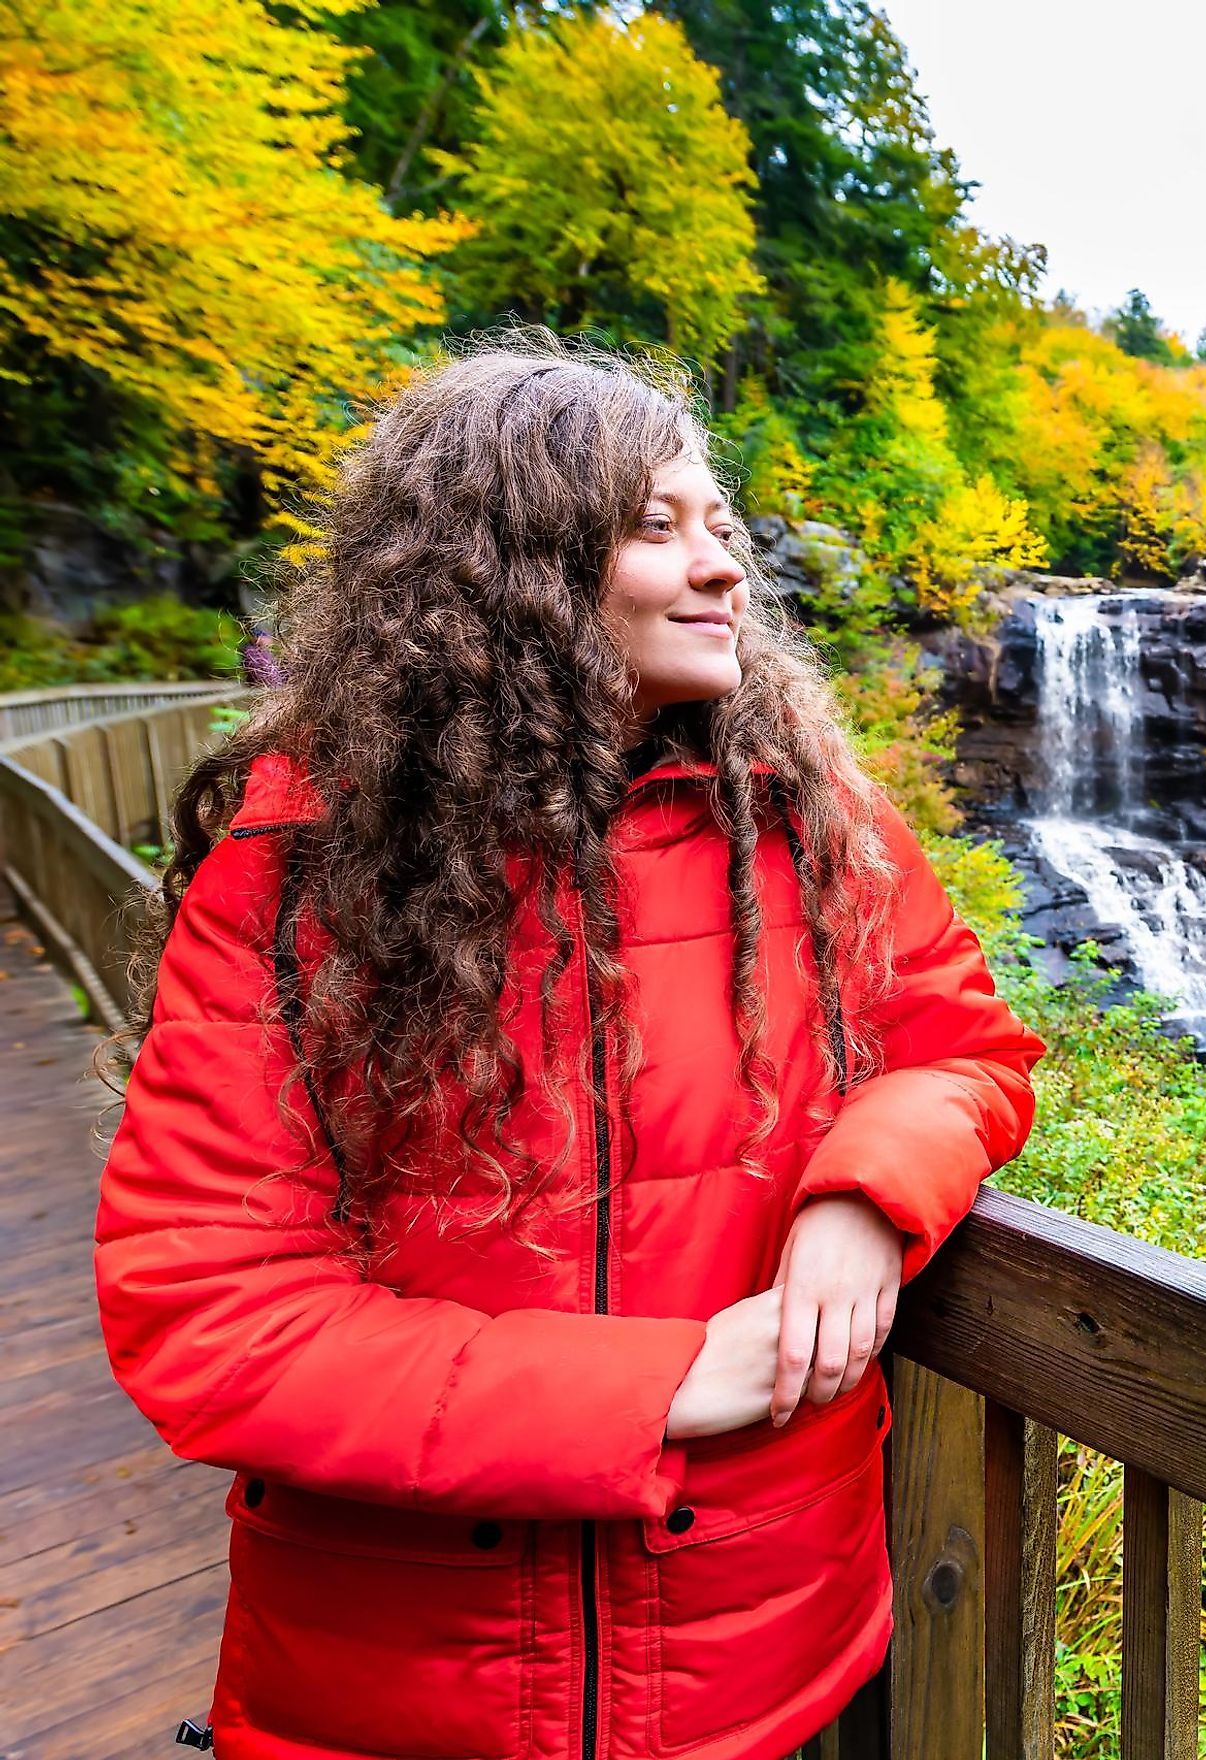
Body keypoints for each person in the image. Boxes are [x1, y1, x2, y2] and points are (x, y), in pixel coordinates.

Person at [91, 335, 1044, 1760]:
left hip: (760, 1655)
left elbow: (967, 1053)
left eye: (718, 525)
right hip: (403, 1682)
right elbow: (207, 1311)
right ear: (504, 567)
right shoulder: (302, 873)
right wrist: (651, 1389)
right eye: (654, 529)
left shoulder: (805, 820)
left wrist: (865, 1192)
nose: (723, 564)